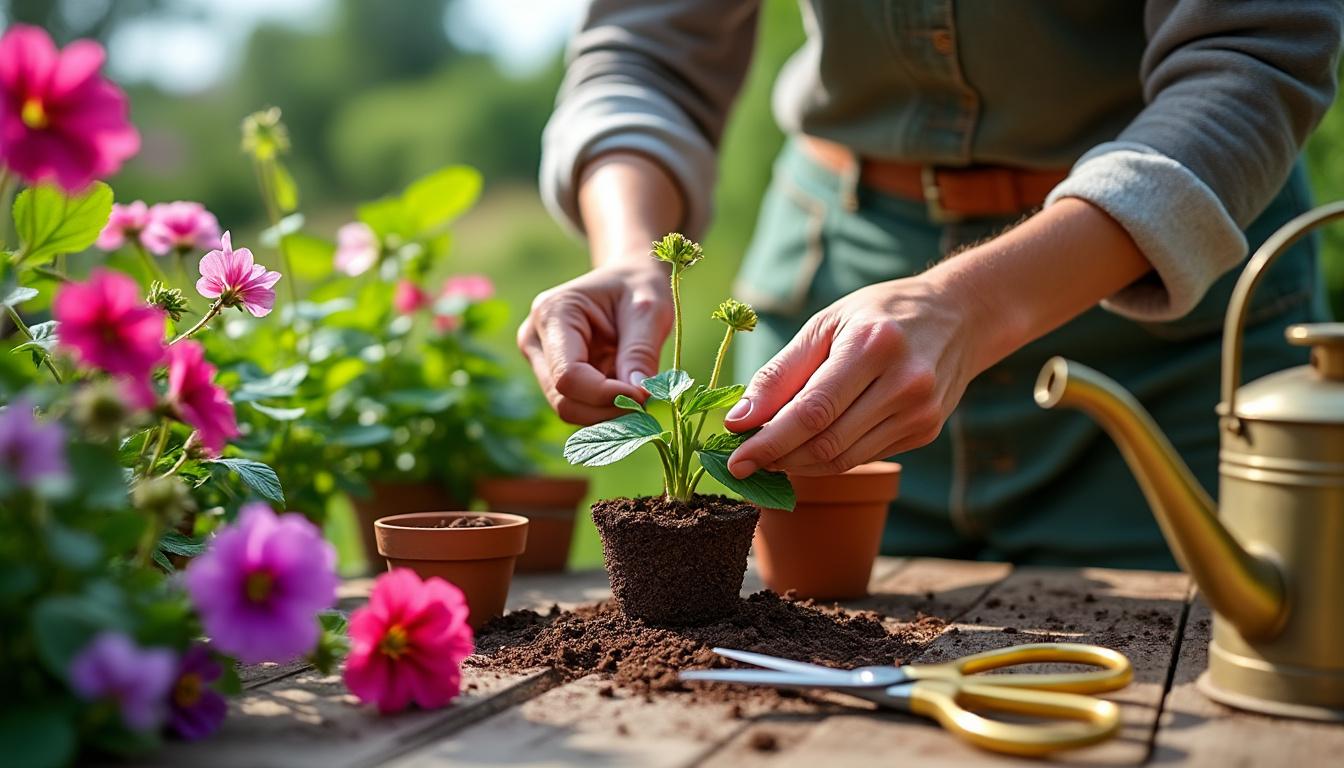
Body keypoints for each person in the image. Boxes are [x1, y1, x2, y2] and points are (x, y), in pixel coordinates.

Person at [518, 1, 1344, 569]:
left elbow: (1255, 54)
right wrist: (631, 251)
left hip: (1166, 338)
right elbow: (642, 50)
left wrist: (973, 303)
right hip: (828, 331)